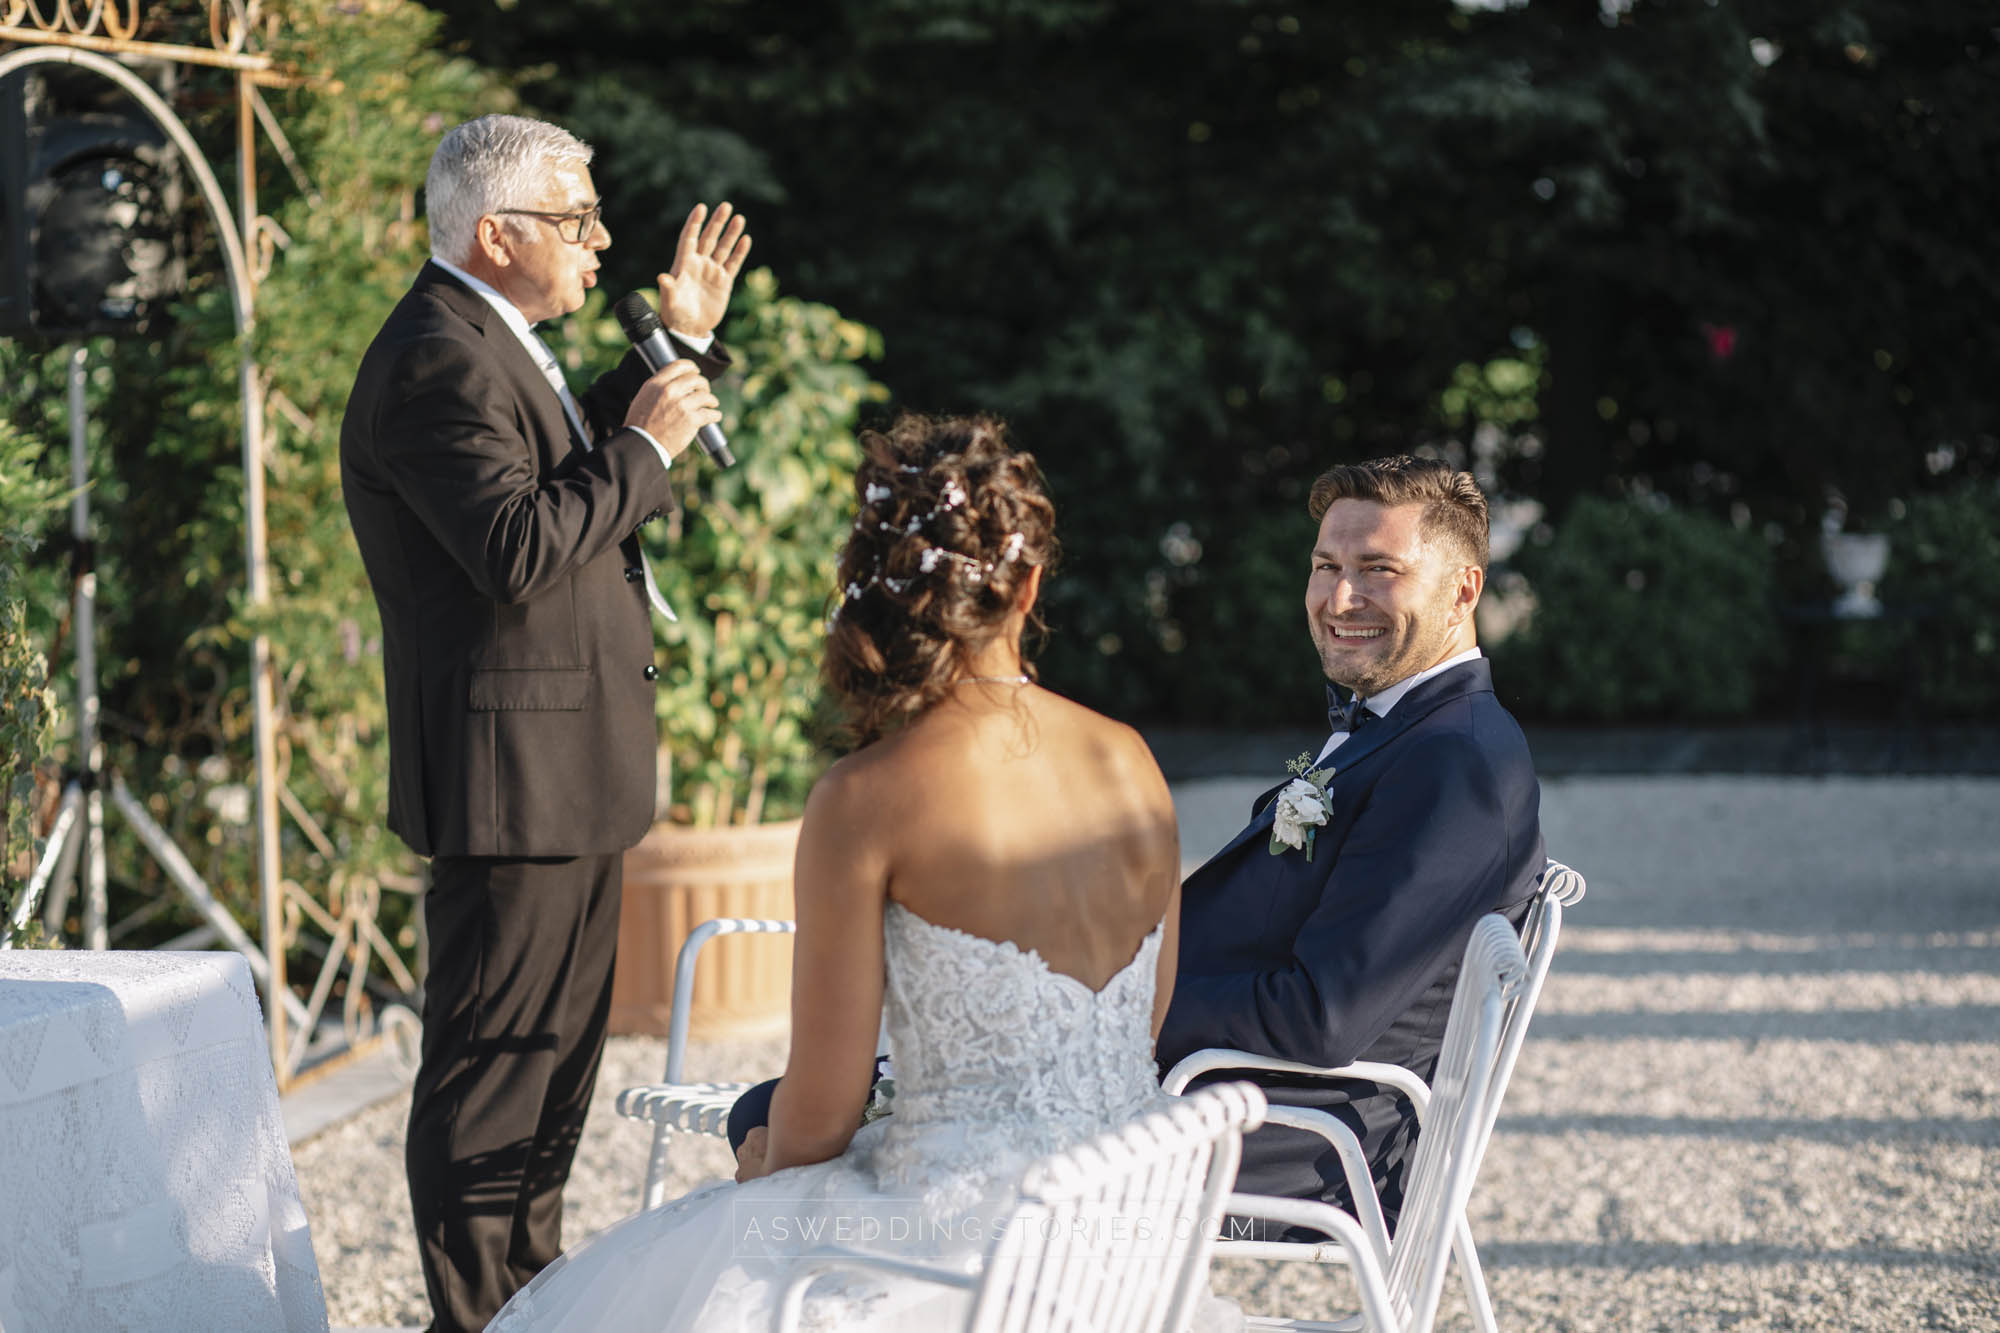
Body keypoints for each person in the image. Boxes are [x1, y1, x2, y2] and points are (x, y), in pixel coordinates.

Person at [487, 413, 1227, 1332]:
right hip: (1119, 1239)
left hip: (953, 1253)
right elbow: (1142, 1024)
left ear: (879, 589)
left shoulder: (866, 795)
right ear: (1030, 585)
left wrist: (767, 1171)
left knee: (701, 1254)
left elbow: (820, 1111)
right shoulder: (1133, 760)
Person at [338, 113, 751, 1332]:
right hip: (507, 782)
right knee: (491, 1074)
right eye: (576, 219)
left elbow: (554, 469)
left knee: (556, 1062)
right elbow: (516, 545)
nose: (601, 240)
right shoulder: (431, 355)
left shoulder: (492, 335)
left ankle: (531, 1297)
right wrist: (642, 445)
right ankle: (473, 1318)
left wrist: (672, 348)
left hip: (567, 772)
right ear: (495, 231)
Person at [1154, 456, 1544, 1234]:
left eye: (1378, 570)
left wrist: (1134, 1006)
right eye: (1326, 566)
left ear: (1463, 591)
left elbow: (1321, 1016)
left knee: (953, 1148)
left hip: (1292, 1140)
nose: (1339, 598)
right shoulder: (1402, 727)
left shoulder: (1454, 764)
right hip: (1233, 1093)